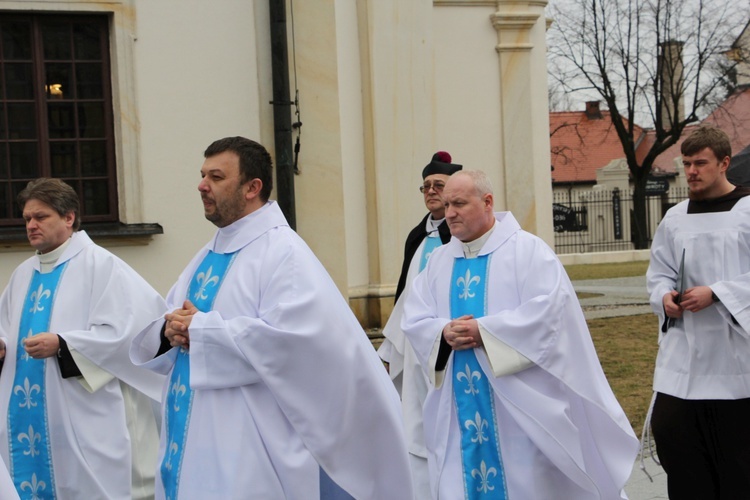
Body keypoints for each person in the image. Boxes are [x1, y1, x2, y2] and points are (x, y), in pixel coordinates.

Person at [130, 136, 413, 499]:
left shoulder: (283, 253)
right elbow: (176, 318)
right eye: (202, 175)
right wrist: (169, 330)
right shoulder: (208, 253)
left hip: (248, 438)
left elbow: (296, 344)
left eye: (216, 177)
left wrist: (201, 330)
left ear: (252, 187)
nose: (202, 186)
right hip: (194, 431)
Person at [402, 170, 638, 499]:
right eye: (446, 204)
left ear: (487, 202)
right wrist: (443, 332)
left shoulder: (528, 252)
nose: (450, 213)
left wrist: (484, 331)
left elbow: (550, 316)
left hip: (519, 410)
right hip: (459, 410)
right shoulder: (438, 262)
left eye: (459, 203)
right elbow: (414, 317)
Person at [0, 178, 166, 499]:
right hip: (30, 415)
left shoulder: (101, 265)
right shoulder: (23, 273)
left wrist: (63, 344)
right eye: (27, 219)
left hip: (81, 411)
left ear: (69, 217)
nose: (31, 225)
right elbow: (6, 327)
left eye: (40, 217)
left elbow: (131, 334)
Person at [646, 124, 750, 498]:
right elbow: (658, 272)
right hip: (683, 363)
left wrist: (718, 293)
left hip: (735, 362)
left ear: (724, 163)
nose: (691, 171)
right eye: (687, 163)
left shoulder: (747, 210)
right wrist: (664, 297)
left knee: (737, 466)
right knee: (681, 455)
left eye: (700, 163)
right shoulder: (675, 218)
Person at [378, 151, 461, 497]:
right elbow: (404, 296)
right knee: (415, 418)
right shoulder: (417, 235)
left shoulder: (459, 235)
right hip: (414, 344)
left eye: (438, 185)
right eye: (425, 186)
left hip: (449, 342)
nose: (430, 192)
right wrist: (389, 348)